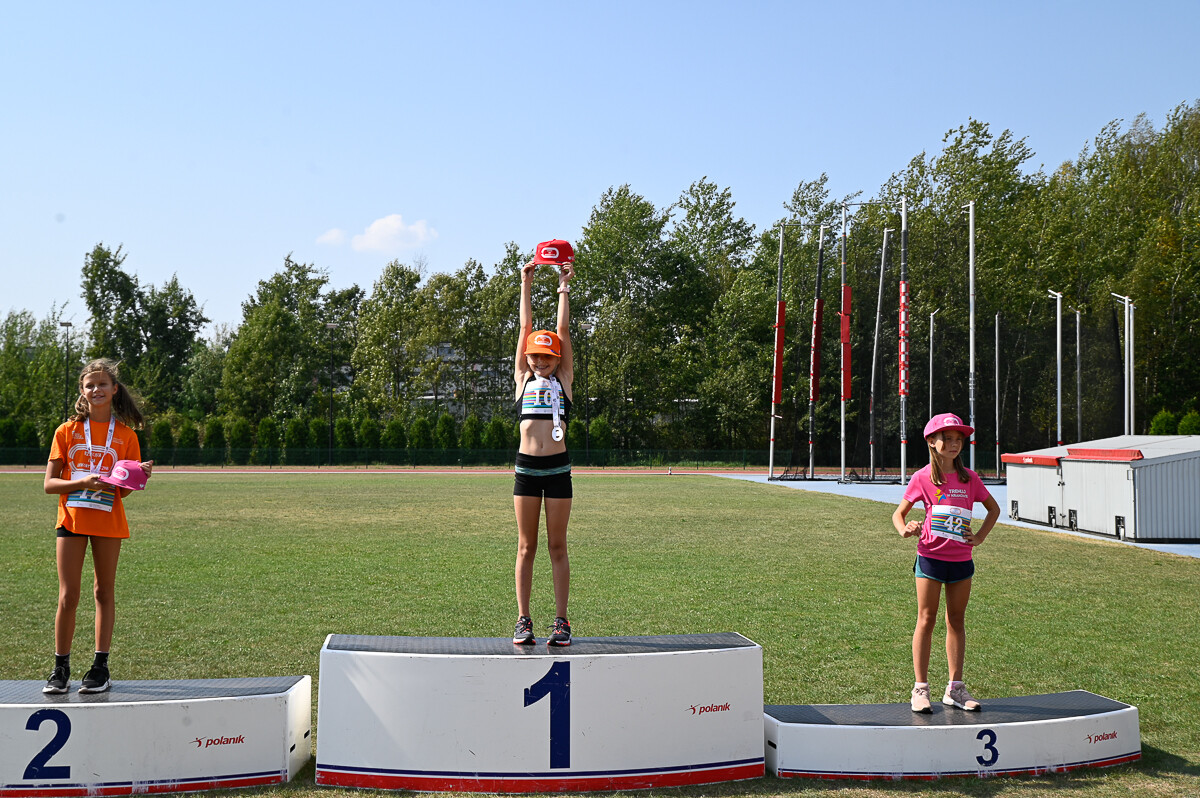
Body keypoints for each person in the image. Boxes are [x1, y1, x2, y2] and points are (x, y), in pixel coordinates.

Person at [43, 358, 153, 694]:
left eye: (103, 384)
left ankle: (99, 668)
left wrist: (138, 476)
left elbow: (124, 490)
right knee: (68, 596)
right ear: (82, 390)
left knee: (103, 592)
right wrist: (83, 482)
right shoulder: (66, 432)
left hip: (108, 519)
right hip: (72, 519)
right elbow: (49, 484)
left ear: (114, 389)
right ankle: (60, 668)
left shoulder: (126, 436)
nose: (96, 390)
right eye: (90, 385)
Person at [892, 412, 1000, 713]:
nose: (954, 444)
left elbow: (993, 509)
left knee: (956, 621)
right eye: (947, 438)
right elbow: (898, 514)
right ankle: (920, 689)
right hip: (930, 558)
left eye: (958, 439)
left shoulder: (970, 478)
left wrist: (979, 537)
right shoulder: (922, 477)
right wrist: (905, 529)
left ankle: (955, 689)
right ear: (931, 441)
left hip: (961, 561)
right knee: (926, 619)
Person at [512, 240, 576, 646]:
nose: (540, 361)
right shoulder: (523, 380)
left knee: (557, 546)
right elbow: (525, 329)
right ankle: (523, 620)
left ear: (557, 360)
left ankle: (561, 621)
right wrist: (526, 284)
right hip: (526, 471)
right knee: (525, 547)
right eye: (534, 357)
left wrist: (563, 287)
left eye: (547, 358)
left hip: (557, 472)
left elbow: (563, 332)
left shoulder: (563, 381)